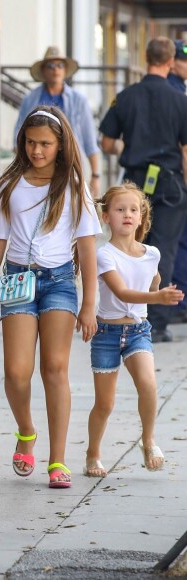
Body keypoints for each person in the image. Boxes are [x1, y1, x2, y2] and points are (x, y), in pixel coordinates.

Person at [0, 105, 102, 489]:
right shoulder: (9, 185)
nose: (37, 151)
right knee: (17, 372)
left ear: (60, 144)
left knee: (55, 367)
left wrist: (89, 304)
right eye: (31, 143)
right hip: (17, 280)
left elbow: (87, 248)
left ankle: (58, 460)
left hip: (61, 282)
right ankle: (26, 430)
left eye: (45, 144)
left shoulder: (73, 186)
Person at [85, 183, 184, 477]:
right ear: (106, 218)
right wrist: (158, 297)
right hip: (107, 335)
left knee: (148, 385)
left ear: (141, 218)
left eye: (133, 210)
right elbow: (122, 292)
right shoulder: (104, 254)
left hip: (138, 331)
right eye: (119, 210)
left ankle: (148, 439)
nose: (127, 215)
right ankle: (93, 454)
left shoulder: (151, 253)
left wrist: (159, 287)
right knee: (105, 404)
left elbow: (152, 281)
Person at [99, 36, 187, 343]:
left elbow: (107, 142)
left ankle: (125, 313)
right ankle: (157, 324)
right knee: (165, 249)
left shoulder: (126, 97)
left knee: (130, 246)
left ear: (146, 57)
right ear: (170, 61)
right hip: (171, 184)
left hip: (133, 185)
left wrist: (132, 146)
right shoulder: (181, 100)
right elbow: (185, 152)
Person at [14, 46, 102, 198]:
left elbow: (90, 141)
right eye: (50, 65)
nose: (56, 70)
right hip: (37, 168)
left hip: (71, 167)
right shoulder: (30, 99)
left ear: (65, 69)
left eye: (60, 65)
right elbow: (19, 137)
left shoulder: (79, 100)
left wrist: (95, 176)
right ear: (43, 70)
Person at [168, 40, 187, 323]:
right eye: (182, 60)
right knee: (177, 242)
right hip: (175, 180)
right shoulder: (174, 92)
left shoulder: (179, 88)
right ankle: (177, 303)